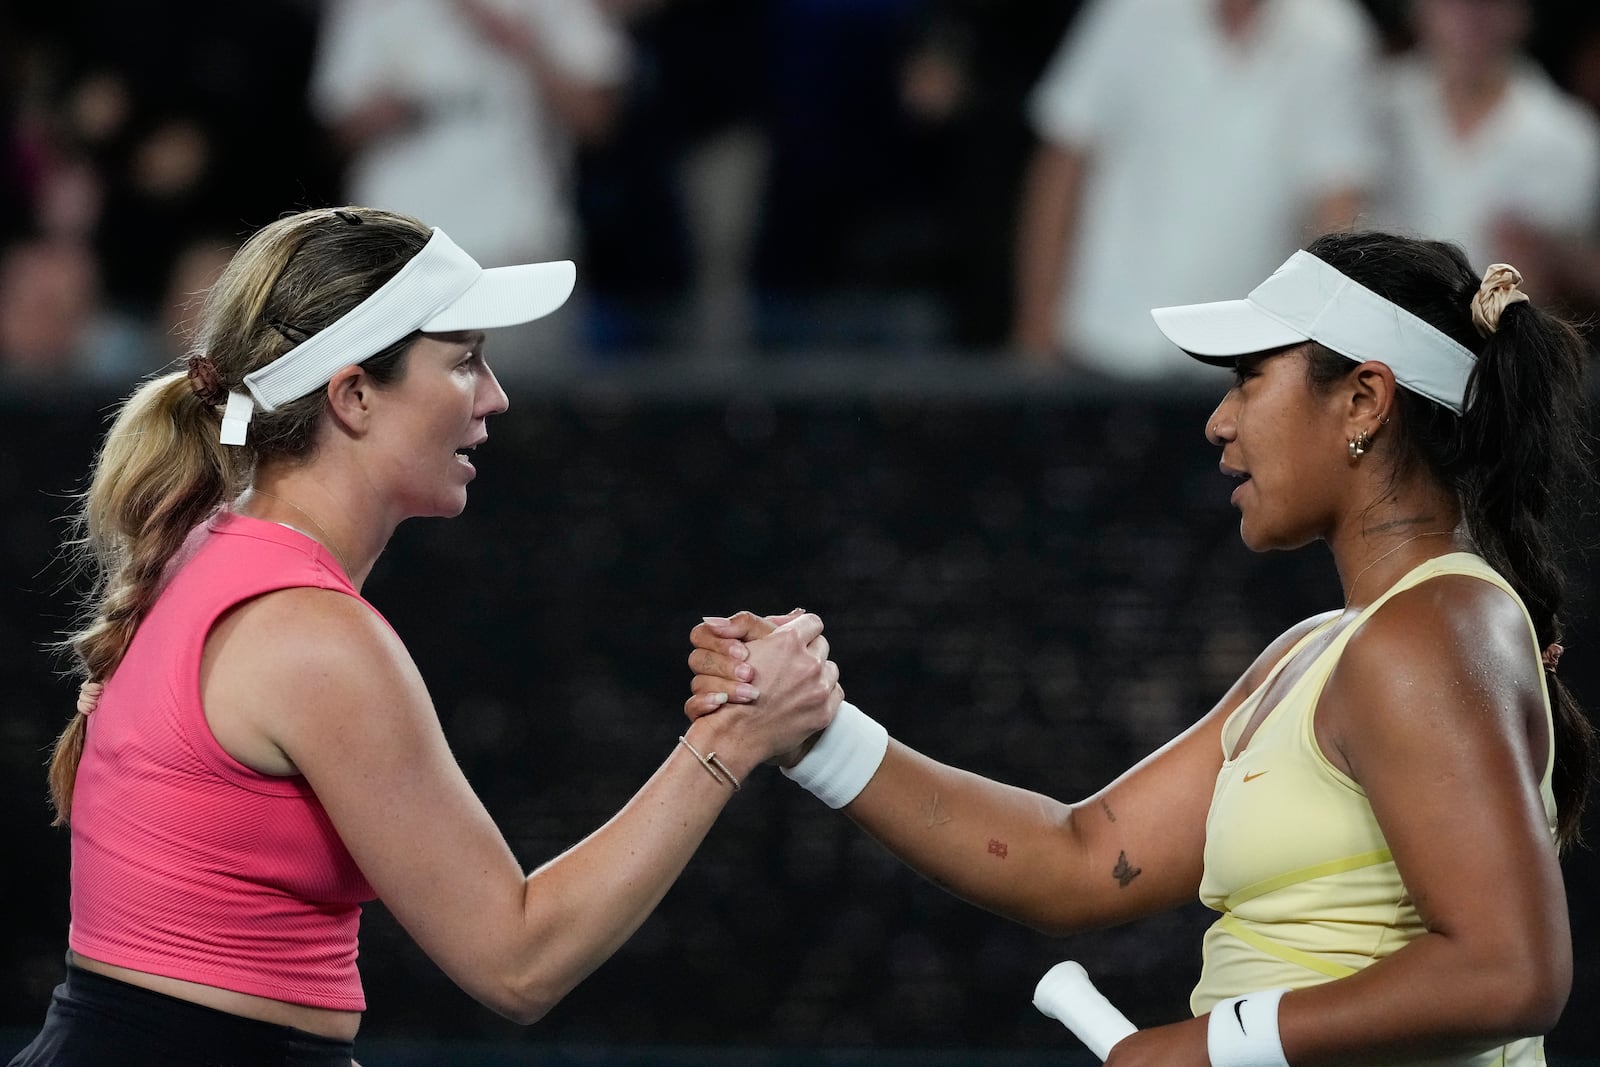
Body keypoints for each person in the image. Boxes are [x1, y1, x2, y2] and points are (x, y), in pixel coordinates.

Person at [690, 229, 1594, 1065]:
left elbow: (1509, 969)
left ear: (1364, 398)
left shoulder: (1431, 630)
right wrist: (816, 729)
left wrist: (1200, 1047)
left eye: (1248, 376)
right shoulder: (1318, 653)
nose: (1220, 420)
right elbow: (1075, 858)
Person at [9, 205, 841, 1067]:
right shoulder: (313, 639)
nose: (495, 396)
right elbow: (519, 959)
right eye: (464, 362)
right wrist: (733, 735)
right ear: (354, 395)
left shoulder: (208, 554)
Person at [1012, 0, 1380, 378]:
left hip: (1244, 363)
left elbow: (1337, 213)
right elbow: (1063, 163)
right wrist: (1035, 330)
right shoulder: (1130, 11)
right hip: (1101, 342)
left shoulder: (1334, 35)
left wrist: (1319, 371)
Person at [1368, 0, 1600, 276]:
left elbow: (1557, 288)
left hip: (1495, 315)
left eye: (1488, 4)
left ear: (1522, 13)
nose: (1469, 17)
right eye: (1452, 5)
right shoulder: (1369, 102)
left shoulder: (1569, 135)